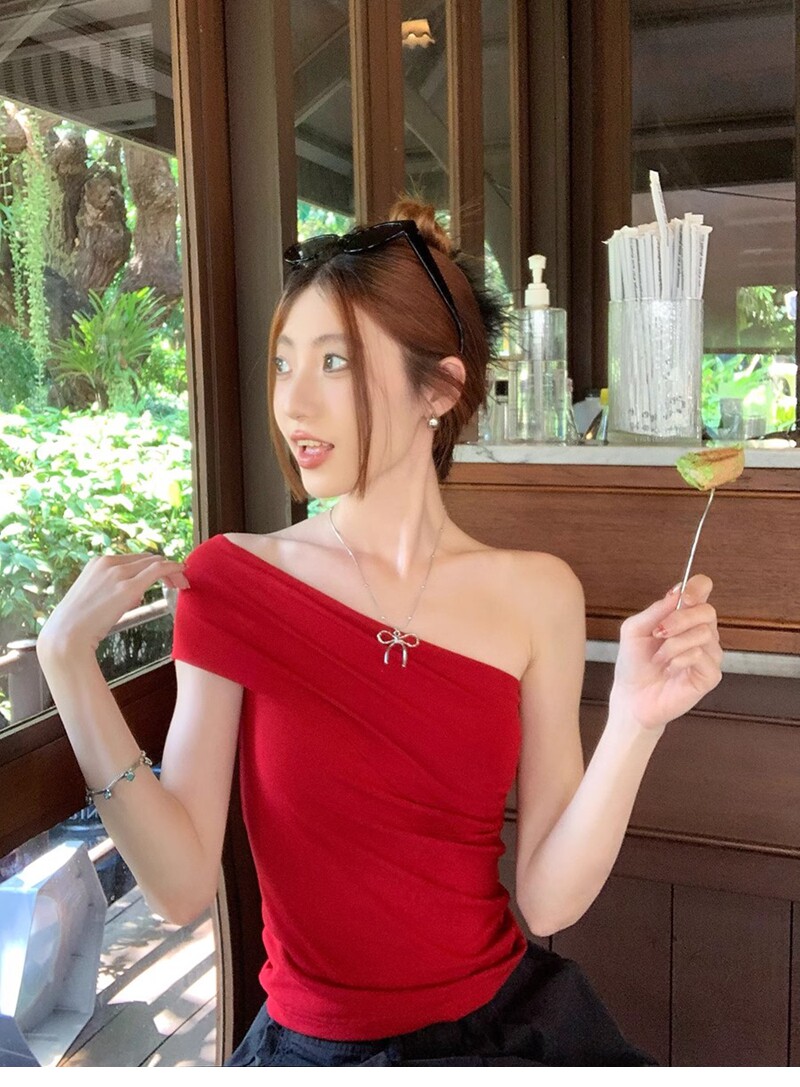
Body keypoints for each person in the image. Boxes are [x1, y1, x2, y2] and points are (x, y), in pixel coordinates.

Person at [36, 198, 723, 1067]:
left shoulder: (539, 594)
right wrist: (69, 666)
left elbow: (549, 902)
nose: (294, 401)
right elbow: (176, 886)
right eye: (284, 362)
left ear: (440, 388)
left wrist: (634, 723)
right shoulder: (232, 580)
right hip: (315, 1050)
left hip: (505, 1031)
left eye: (335, 362)